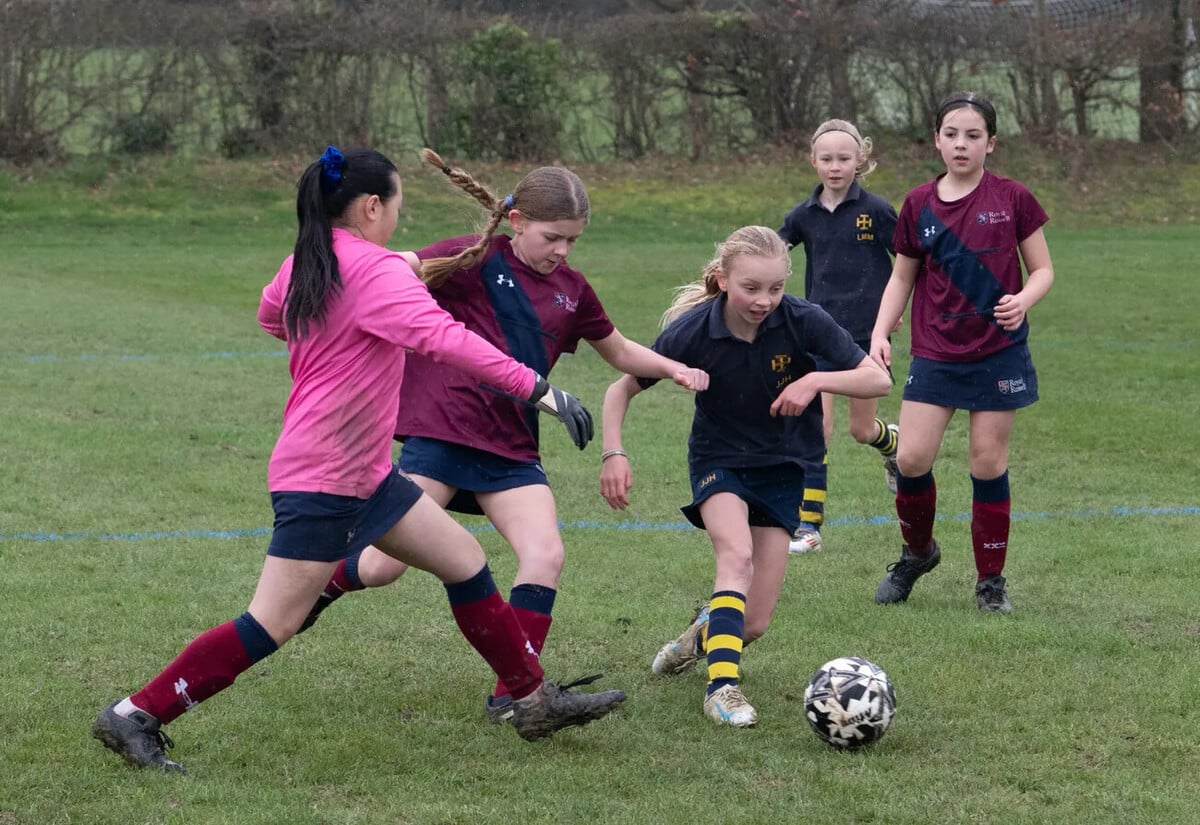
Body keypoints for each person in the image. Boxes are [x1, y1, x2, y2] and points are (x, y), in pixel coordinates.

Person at [91, 146, 626, 774]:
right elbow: (447, 339)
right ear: (373, 206)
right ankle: (135, 714)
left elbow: (272, 315)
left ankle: (530, 700)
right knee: (271, 623)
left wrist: (334, 337)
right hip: (326, 476)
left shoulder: (308, 261)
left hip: (364, 473)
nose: (400, 216)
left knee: (464, 561)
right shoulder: (378, 271)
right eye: (398, 203)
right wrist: (539, 388)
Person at [295, 149, 709, 724]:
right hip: (441, 434)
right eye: (552, 237)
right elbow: (384, 268)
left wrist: (673, 367)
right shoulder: (469, 257)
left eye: (573, 240)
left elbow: (617, 350)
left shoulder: (573, 290)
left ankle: (514, 697)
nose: (562, 250)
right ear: (516, 222)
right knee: (385, 566)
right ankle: (322, 587)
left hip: (511, 448)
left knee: (546, 553)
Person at [599, 226, 892, 727]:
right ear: (722, 279)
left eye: (775, 288)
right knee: (735, 558)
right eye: (751, 288)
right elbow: (619, 390)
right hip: (720, 461)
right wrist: (614, 453)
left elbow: (877, 379)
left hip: (783, 467)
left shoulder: (803, 320)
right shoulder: (693, 332)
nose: (764, 300)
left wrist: (815, 380)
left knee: (754, 622)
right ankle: (721, 691)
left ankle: (696, 638)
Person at [869, 91, 1054, 614]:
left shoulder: (1013, 197)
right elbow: (901, 277)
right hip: (936, 351)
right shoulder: (917, 204)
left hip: (998, 352)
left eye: (973, 135)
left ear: (990, 143)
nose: (961, 144)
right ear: (937, 140)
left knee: (987, 462)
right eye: (951, 134)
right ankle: (917, 553)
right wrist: (880, 333)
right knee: (910, 457)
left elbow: (1043, 270)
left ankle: (990, 582)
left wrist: (1023, 300)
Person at [778, 119, 902, 555]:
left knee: (862, 430)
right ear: (813, 161)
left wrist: (892, 315)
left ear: (860, 160)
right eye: (826, 159)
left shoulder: (878, 210)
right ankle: (807, 527)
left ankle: (894, 446)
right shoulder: (802, 215)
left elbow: (909, 265)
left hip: (867, 338)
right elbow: (772, 252)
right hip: (818, 335)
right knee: (818, 429)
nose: (835, 167)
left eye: (844, 159)